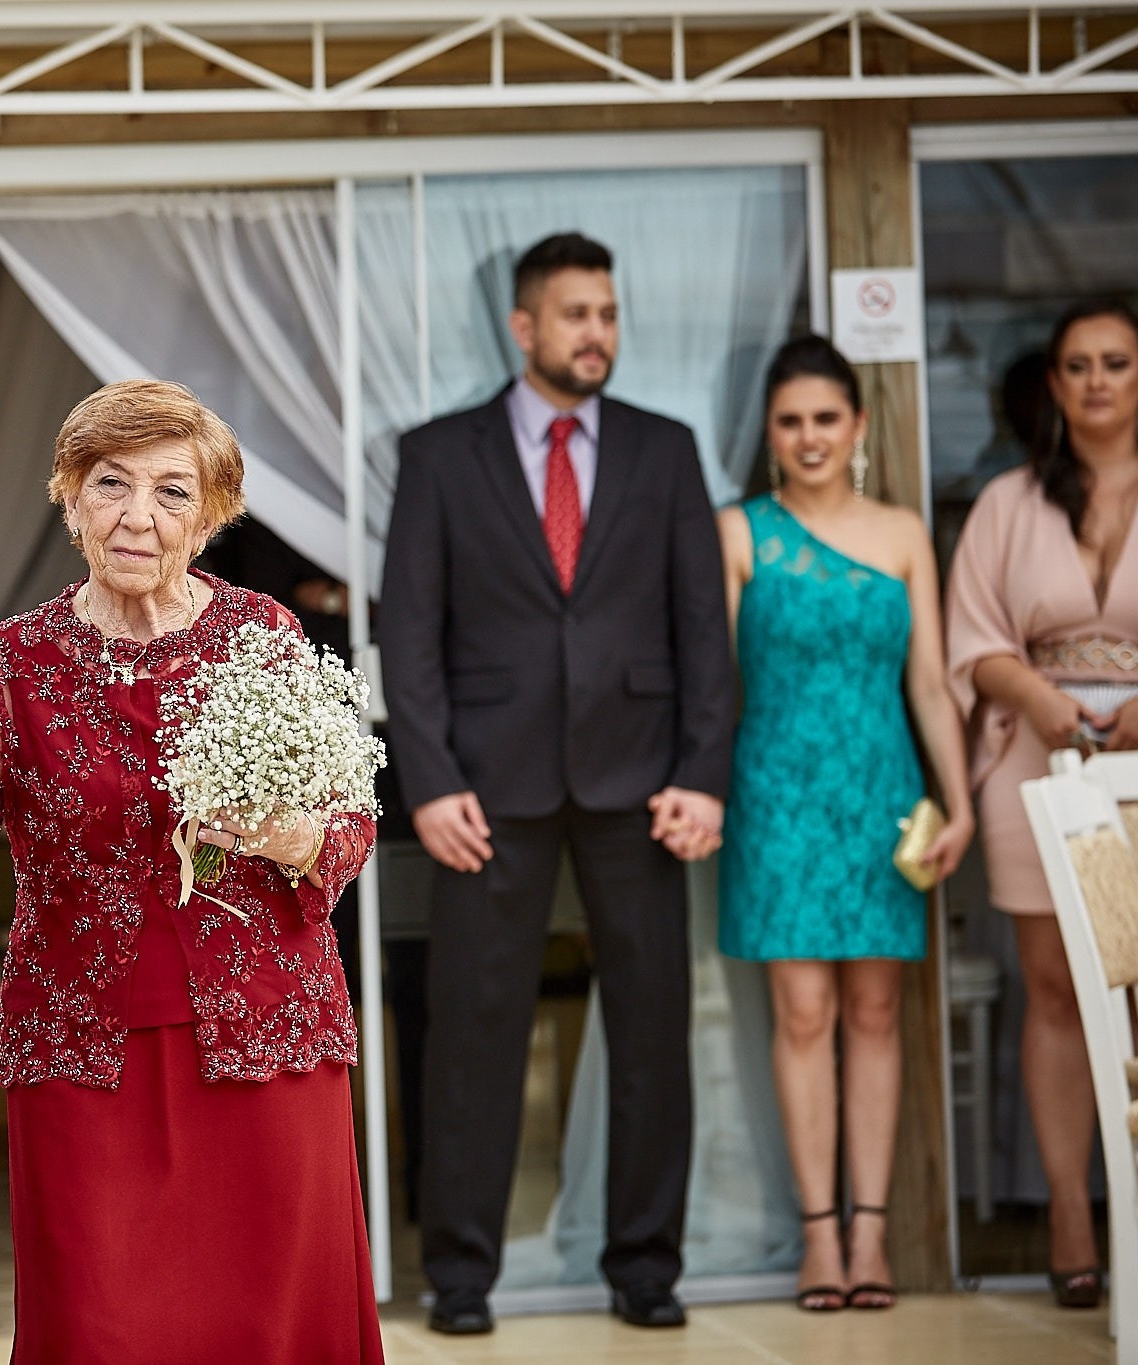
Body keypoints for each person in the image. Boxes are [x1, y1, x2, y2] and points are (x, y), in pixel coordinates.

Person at [0, 379, 383, 1364]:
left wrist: (293, 838)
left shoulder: (263, 637)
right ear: (68, 498)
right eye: (109, 483)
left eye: (171, 492)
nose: (136, 517)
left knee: (271, 1324)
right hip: (83, 1053)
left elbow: (347, 819)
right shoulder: (15, 660)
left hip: (266, 1037)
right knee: (105, 1328)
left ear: (211, 516)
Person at [379, 231, 733, 1336]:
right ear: (523, 326)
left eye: (609, 315)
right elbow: (409, 633)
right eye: (576, 314)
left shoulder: (665, 450)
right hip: (486, 787)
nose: (597, 334)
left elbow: (700, 634)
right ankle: (461, 1277)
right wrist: (428, 782)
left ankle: (643, 1269)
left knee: (648, 1031)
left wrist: (701, 775)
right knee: (472, 1034)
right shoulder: (438, 455)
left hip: (641, 786)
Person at [716, 336, 975, 1313]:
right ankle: (816, 1241)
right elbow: (713, 686)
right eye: (789, 422)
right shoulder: (735, 531)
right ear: (769, 435)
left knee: (874, 1014)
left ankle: (870, 1237)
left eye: (825, 418)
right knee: (802, 1014)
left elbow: (933, 686)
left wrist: (952, 803)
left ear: (857, 426)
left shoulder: (905, 532)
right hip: (775, 796)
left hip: (883, 802)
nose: (808, 437)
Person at [948, 297, 1138, 1311]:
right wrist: (1037, 698)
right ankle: (1070, 1214)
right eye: (1077, 365)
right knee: (1056, 991)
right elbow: (971, 636)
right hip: (1038, 759)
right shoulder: (1005, 504)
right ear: (1051, 385)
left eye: (1115, 362)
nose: (1096, 381)